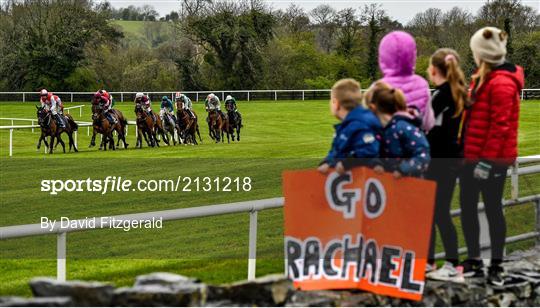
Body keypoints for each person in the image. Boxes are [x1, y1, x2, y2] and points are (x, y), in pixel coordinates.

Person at [459, 27, 523, 286]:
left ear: (482, 53)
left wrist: (485, 162)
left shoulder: (502, 82)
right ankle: (474, 260)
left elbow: (501, 127)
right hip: (473, 156)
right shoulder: (484, 77)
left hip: (491, 160)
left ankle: (496, 265)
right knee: (467, 208)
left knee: (493, 209)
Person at [424, 48, 468, 281]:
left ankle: (450, 263)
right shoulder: (457, 92)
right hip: (450, 161)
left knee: (437, 213)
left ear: (433, 70)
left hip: (439, 162)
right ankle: (432, 262)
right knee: (436, 213)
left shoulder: (442, 95)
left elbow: (432, 131)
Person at [317, 79, 381, 175]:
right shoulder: (346, 126)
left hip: (366, 180)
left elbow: (368, 151)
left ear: (336, 103)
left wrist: (346, 163)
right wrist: (327, 162)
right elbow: (337, 151)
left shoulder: (361, 124)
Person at [370, 82, 430, 178]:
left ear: (373, 108)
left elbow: (422, 155)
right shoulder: (379, 130)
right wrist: (376, 164)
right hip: (387, 185)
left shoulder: (403, 128)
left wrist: (403, 170)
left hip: (409, 185)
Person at [378, 31, 434, 132]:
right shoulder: (422, 84)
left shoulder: (378, 87)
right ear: (412, 56)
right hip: (416, 144)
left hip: (385, 145)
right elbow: (428, 124)